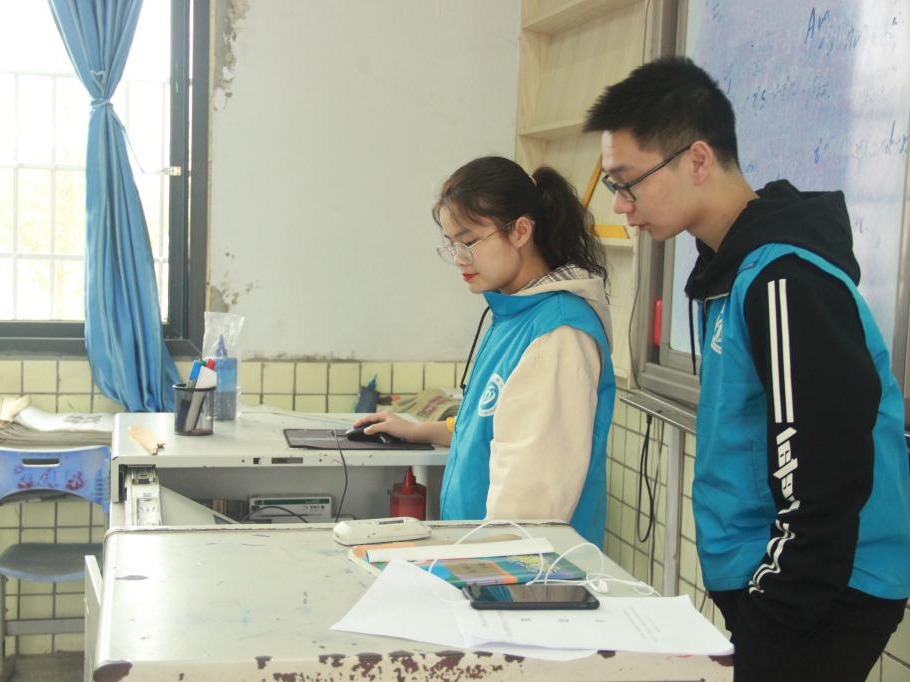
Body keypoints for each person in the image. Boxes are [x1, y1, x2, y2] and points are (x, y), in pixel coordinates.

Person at [584, 56, 910, 681]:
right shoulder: (730, 273)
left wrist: (770, 615)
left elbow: (824, 479)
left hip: (822, 594)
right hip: (786, 587)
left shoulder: (785, 280)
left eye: (628, 183)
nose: (621, 205)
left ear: (697, 160)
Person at [354, 156, 616, 546]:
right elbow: (494, 424)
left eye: (469, 242)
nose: (459, 259)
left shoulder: (557, 333)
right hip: (483, 555)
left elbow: (530, 507)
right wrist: (419, 431)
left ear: (521, 231)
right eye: (451, 244)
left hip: (518, 565)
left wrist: (480, 567)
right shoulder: (515, 313)